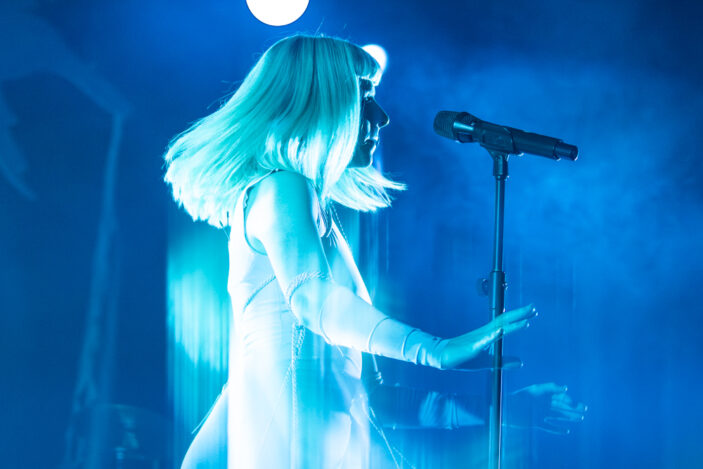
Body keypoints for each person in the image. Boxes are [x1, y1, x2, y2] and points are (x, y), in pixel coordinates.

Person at [164, 34, 541, 469]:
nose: (381, 117)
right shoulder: (281, 187)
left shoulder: (313, 215)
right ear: (319, 103)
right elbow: (312, 301)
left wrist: (503, 411)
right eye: (364, 98)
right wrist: (435, 350)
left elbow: (371, 397)